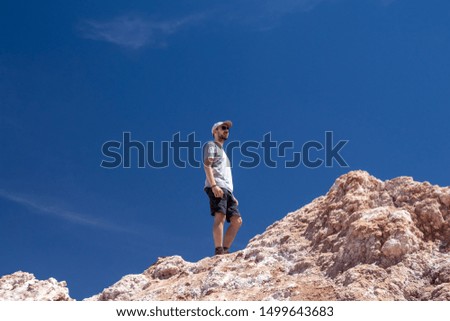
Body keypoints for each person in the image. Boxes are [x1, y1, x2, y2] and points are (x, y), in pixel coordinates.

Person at [203, 120, 243, 256]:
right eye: (223, 127)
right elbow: (207, 165)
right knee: (220, 215)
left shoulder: (224, 154)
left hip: (227, 190)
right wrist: (213, 185)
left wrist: (232, 194)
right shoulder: (211, 145)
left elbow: (224, 174)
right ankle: (219, 250)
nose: (227, 130)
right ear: (215, 131)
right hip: (216, 185)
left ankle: (225, 250)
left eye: (228, 129)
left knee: (237, 221)